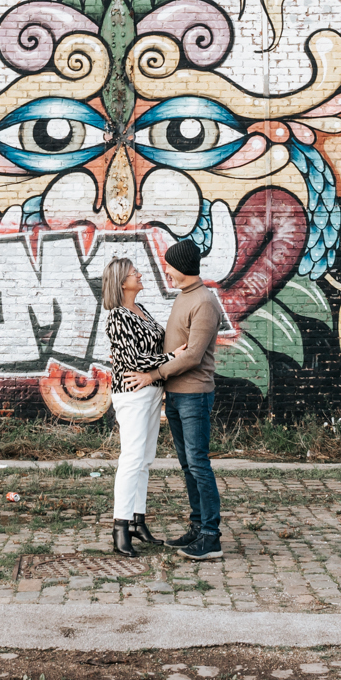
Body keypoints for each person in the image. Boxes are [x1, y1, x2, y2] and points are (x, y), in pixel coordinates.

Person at [125, 237, 223, 560]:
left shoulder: (204, 302)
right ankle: (197, 526)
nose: (165, 271)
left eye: (169, 266)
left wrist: (153, 375)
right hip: (178, 396)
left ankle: (211, 536)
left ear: (182, 266)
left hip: (195, 396)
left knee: (198, 463)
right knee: (187, 464)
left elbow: (193, 355)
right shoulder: (185, 297)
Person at [99, 258, 166, 556]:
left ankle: (138, 521)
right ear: (121, 282)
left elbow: (153, 348)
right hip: (131, 393)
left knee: (145, 459)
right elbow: (133, 360)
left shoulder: (142, 310)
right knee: (131, 458)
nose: (139, 274)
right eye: (133, 272)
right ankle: (120, 527)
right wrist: (173, 358)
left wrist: (165, 362)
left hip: (151, 390)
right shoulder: (117, 316)